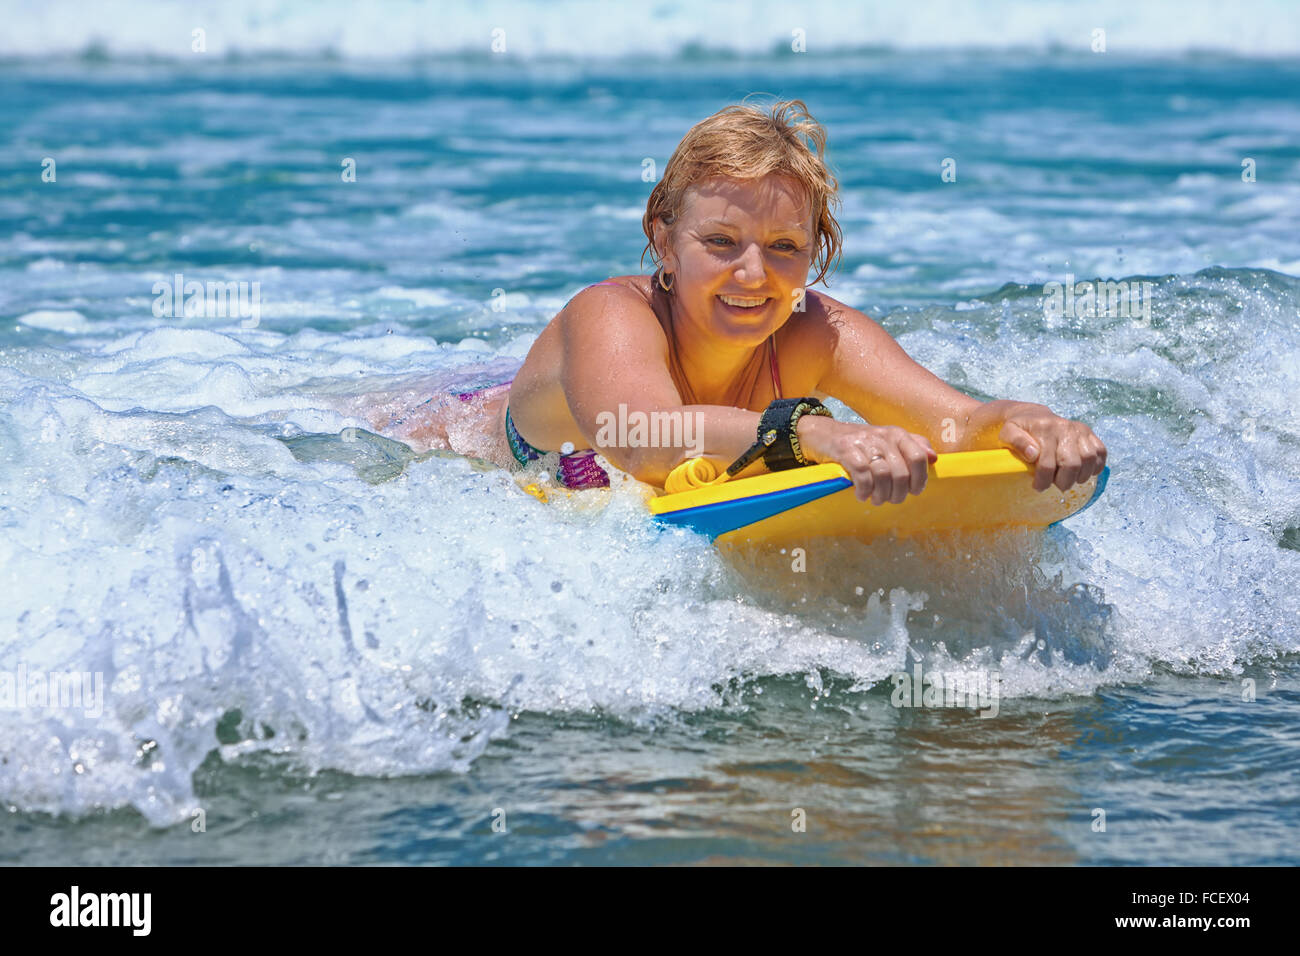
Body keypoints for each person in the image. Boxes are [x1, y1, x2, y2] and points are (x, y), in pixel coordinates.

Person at [444, 99, 1108, 502]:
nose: (753, 274)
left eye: (785, 247)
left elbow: (956, 428)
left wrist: (1033, 424)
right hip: (467, 440)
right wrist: (813, 432)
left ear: (815, 255)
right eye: (722, 241)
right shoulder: (611, 315)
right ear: (665, 242)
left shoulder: (818, 331)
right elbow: (639, 440)